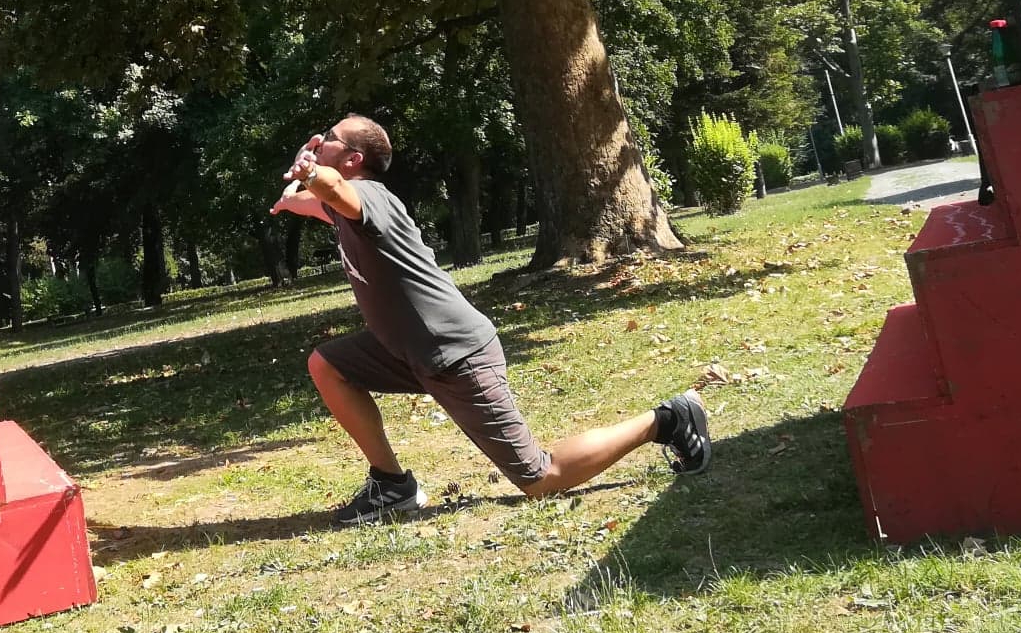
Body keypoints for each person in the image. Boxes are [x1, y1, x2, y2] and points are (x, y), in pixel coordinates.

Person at [270, 114, 711, 525]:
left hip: (456, 355)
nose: (319, 142)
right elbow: (321, 201)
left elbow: (332, 189)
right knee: (328, 365)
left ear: (353, 159)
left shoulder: (367, 196)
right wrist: (294, 198)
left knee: (541, 478)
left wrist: (310, 172)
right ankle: (391, 485)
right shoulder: (346, 206)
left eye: (329, 138)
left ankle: (667, 420)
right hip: (410, 350)